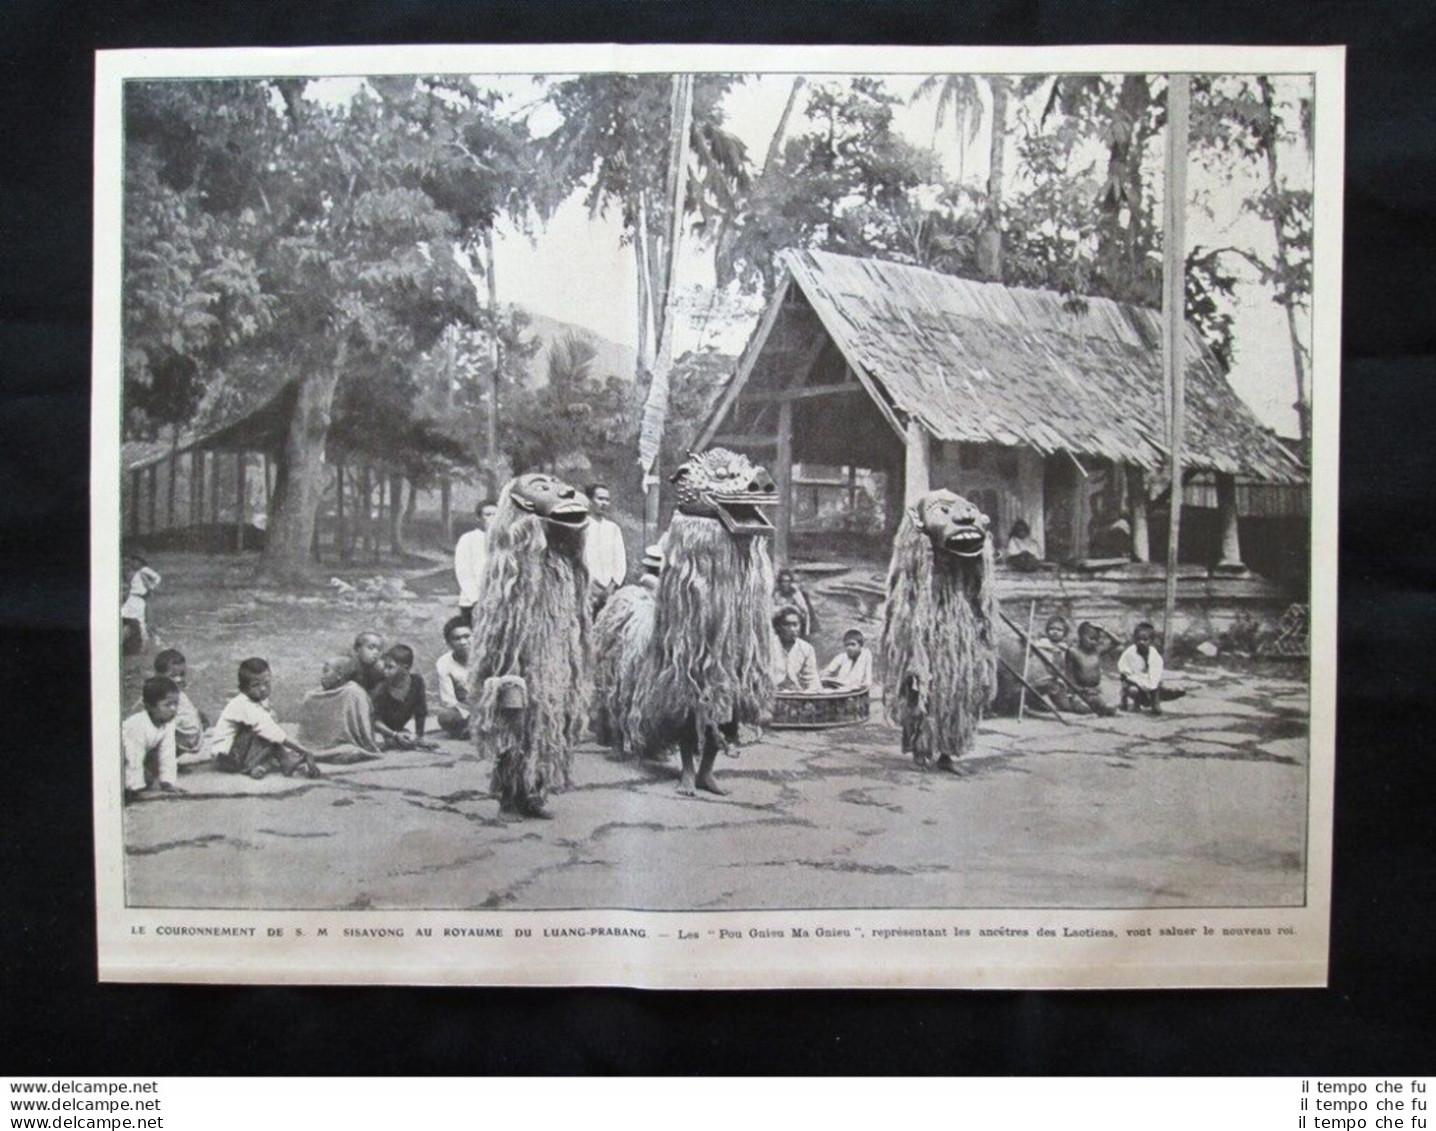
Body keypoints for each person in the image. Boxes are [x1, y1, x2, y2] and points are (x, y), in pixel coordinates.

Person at [209, 658, 321, 780]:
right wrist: (304, 751)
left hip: (236, 754)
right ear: (242, 688)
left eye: (266, 683)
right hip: (226, 759)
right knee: (266, 732)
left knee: (269, 728)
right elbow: (271, 731)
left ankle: (283, 763)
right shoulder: (243, 704)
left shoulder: (255, 701)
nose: (263, 689)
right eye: (255, 685)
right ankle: (250, 767)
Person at [296, 655, 382, 757]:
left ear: (339, 674)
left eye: (326, 671)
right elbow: (304, 735)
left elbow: (365, 730)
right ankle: (314, 754)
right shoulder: (312, 696)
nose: (322, 676)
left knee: (349, 750)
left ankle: (313, 755)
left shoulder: (354, 693)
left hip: (343, 745)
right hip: (313, 746)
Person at [122, 675, 183, 802]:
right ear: (150, 707)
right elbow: (133, 756)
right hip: (119, 756)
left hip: (140, 755)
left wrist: (167, 782)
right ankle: (130, 787)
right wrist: (135, 788)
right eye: (167, 704)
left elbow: (168, 752)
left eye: (176, 703)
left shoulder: (168, 722)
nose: (174, 709)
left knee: (151, 776)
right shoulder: (137, 725)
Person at [151, 648, 208, 760]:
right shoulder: (159, 696)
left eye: (182, 675)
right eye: (172, 676)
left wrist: (199, 717)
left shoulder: (178, 693)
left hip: (184, 738)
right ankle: (153, 765)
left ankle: (168, 759)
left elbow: (186, 709)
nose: (179, 679)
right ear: (158, 676)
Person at [371, 644, 430, 749]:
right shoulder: (382, 688)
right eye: (385, 666)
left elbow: (421, 711)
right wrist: (394, 735)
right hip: (380, 730)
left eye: (390, 667)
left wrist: (419, 735)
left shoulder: (416, 682)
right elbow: (374, 720)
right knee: (379, 742)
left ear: (405, 668)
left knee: (408, 742)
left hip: (397, 730)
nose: (385, 671)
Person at [583, 483, 627, 609]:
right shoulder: (582, 527)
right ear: (590, 500)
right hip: (587, 590)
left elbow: (620, 561)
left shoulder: (613, 529)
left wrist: (612, 587)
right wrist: (591, 585)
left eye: (607, 500)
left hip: (610, 592)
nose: (604, 503)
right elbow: (579, 559)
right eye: (600, 499)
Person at [454, 498, 497, 627]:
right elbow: (463, 572)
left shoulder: (507, 539)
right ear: (479, 518)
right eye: (488, 514)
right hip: (473, 602)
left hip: (500, 602)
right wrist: (476, 600)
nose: (493, 518)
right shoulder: (468, 539)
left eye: (496, 514)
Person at [1064, 621, 1119, 717]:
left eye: (1097, 639)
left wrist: (1104, 629)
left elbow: (1117, 642)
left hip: (1095, 692)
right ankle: (1083, 707)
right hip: (1079, 692)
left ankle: (1097, 707)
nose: (1094, 642)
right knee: (1085, 709)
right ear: (1081, 636)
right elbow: (1068, 674)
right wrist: (1072, 690)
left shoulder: (1097, 651)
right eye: (1091, 638)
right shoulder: (1073, 652)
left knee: (1111, 709)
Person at [434, 616, 472, 739]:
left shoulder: (487, 657)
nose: (463, 642)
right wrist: (471, 712)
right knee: (446, 716)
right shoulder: (444, 663)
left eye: (467, 636)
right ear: (449, 643)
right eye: (457, 638)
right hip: (466, 709)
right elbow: (448, 700)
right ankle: (472, 729)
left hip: (491, 706)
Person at [1118, 622, 1165, 714]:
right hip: (1133, 678)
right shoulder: (1130, 652)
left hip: (1147, 677)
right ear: (1134, 639)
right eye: (1138, 639)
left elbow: (1156, 671)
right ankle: (1129, 702)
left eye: (1145, 640)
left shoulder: (1154, 655)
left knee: (1158, 683)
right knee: (1132, 689)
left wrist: (1151, 681)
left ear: (1151, 641)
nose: (1141, 642)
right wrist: (1129, 676)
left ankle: (1155, 703)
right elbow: (1123, 665)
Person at [772, 606, 821, 693]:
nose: (792, 629)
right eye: (787, 625)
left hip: (796, 694)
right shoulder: (769, 646)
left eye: (795, 625)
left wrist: (810, 691)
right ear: (778, 626)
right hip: (771, 693)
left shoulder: (806, 648)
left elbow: (811, 678)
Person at [121, 553, 162, 655]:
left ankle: (144, 645)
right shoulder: (133, 572)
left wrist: (150, 588)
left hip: (139, 598)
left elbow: (157, 578)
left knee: (141, 622)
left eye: (134, 561)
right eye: (132, 561)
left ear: (140, 562)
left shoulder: (143, 570)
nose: (132, 563)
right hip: (133, 598)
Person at [773, 568, 816, 636]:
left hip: (794, 619)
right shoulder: (777, 593)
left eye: (787, 581)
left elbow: (805, 611)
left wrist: (806, 631)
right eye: (783, 581)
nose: (785, 584)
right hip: (780, 620)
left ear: (790, 582)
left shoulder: (795, 593)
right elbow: (771, 609)